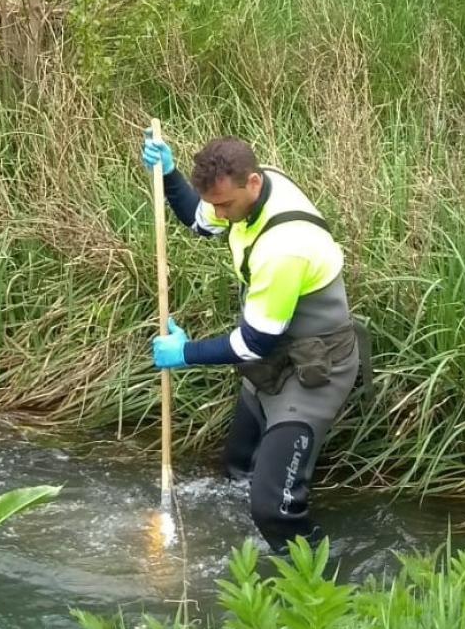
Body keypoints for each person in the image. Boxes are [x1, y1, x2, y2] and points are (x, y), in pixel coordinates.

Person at [142, 128, 369, 554]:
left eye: (225, 205)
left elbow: (254, 343)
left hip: (315, 369)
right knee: (238, 467)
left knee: (275, 512)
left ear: (253, 183)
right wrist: (170, 176)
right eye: (215, 203)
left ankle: (323, 584)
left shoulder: (286, 247)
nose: (220, 215)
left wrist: (184, 353)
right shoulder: (244, 194)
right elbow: (199, 221)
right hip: (271, 360)